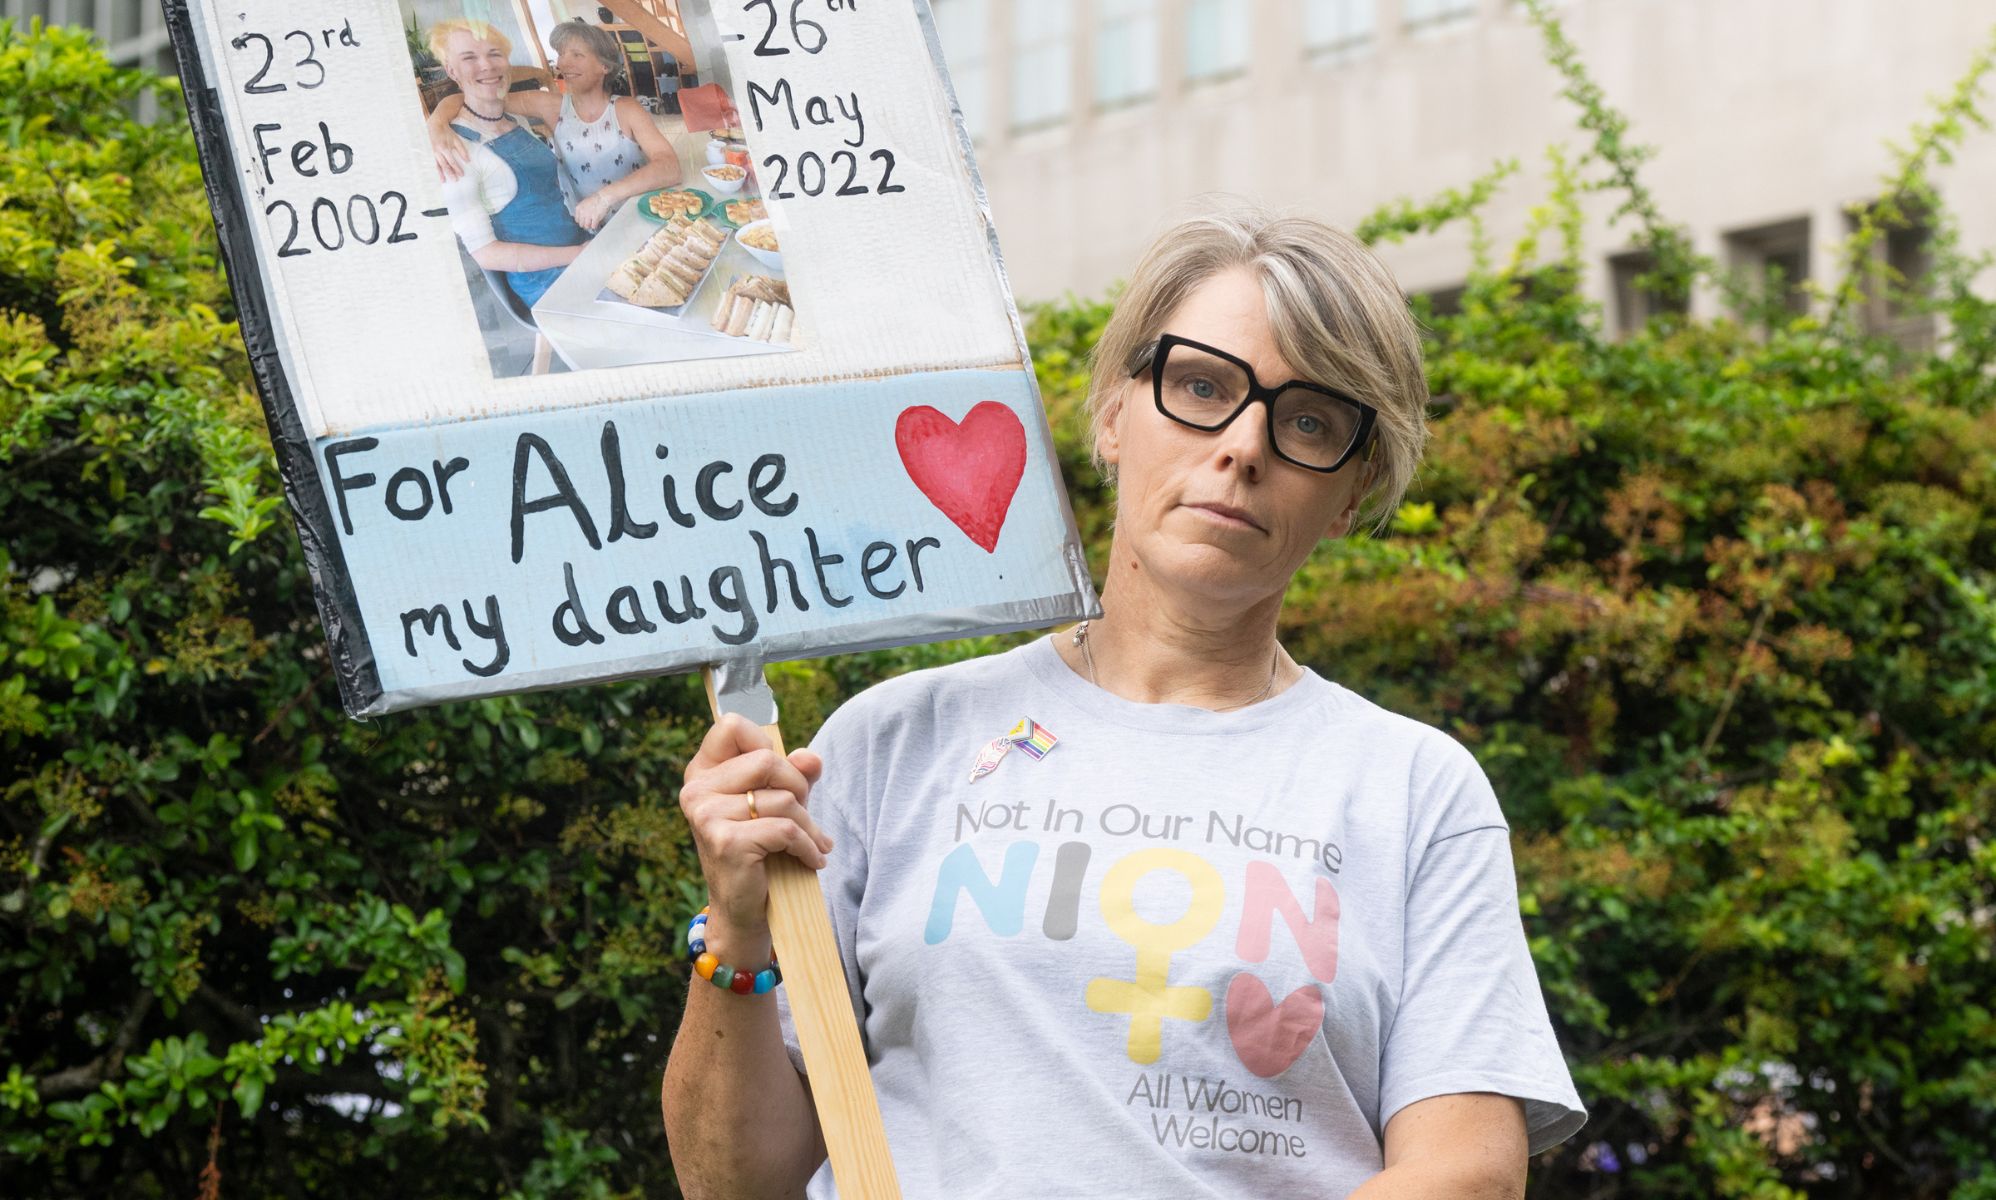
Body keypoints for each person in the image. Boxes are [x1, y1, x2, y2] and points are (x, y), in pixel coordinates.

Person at [659, 204, 1588, 1198]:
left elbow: (1468, 1173)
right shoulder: (893, 743)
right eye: (1200, 386)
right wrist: (737, 930)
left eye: (1310, 420)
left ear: (1354, 490)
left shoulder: (1410, 789)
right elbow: (734, 1185)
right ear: (1112, 412)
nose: (1242, 446)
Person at [430, 20, 684, 232]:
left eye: (577, 55)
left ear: (604, 66)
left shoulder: (626, 109)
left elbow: (670, 167)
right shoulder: (550, 106)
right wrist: (437, 122)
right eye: (561, 54)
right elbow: (479, 97)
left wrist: (604, 197)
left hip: (643, 218)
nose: (564, 64)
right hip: (590, 230)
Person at [427, 20, 587, 308]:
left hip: (578, 249)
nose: (487, 66)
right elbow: (487, 254)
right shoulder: (456, 151)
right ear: (452, 71)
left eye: (494, 54)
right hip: (546, 283)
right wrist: (577, 254)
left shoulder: (518, 120)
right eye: (469, 58)